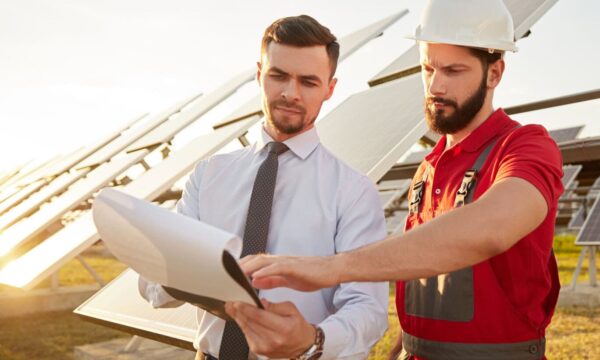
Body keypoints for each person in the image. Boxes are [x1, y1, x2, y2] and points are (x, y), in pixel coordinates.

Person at [234, 1, 564, 359]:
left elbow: (494, 226)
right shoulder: (428, 169)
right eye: (427, 68)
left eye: (453, 70)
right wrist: (402, 347)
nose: (435, 85)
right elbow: (427, 269)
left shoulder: (525, 145)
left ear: (494, 73)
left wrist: (331, 267)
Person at [138, 15, 389, 360]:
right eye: (278, 76)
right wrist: (188, 276)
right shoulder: (208, 176)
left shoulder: (353, 192)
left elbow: (368, 309)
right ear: (259, 74)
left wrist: (312, 340)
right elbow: (153, 285)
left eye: (308, 82)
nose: (290, 93)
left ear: (330, 88)